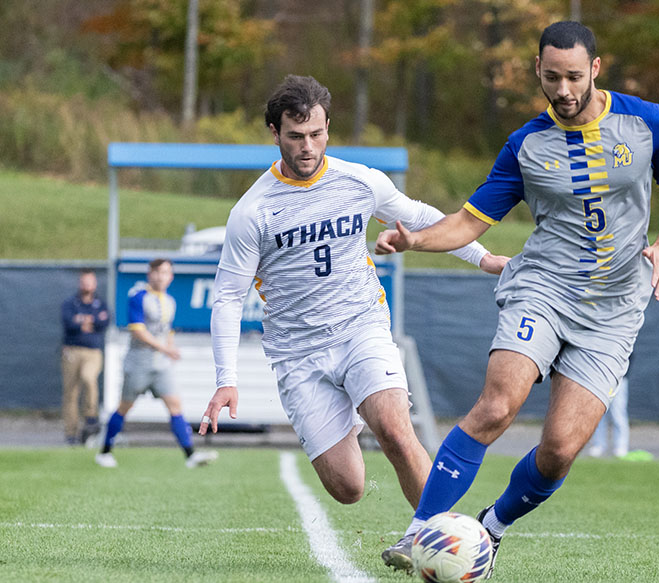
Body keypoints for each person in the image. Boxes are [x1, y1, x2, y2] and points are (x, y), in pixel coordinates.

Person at [376, 20, 659, 577]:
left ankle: (489, 531)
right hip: (542, 288)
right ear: (537, 73)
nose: (564, 90)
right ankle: (417, 533)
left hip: (614, 311)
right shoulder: (526, 146)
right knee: (498, 404)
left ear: (596, 69)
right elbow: (469, 222)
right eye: (552, 78)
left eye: (574, 76)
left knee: (559, 452)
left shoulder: (646, 122)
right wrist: (416, 240)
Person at [198, 75, 507, 508]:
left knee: (397, 432)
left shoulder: (360, 182)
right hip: (298, 353)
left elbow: (418, 217)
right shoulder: (252, 211)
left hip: (361, 327)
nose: (308, 146)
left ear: (328, 129)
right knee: (348, 488)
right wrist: (225, 381)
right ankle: (351, 418)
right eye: (296, 136)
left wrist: (484, 258)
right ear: (275, 134)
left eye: (316, 134)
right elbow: (228, 297)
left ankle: (440, 539)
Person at [95, 259, 218, 469]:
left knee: (175, 406)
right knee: (124, 407)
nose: (162, 277)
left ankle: (190, 455)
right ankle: (105, 451)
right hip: (138, 362)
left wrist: (170, 348)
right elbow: (137, 330)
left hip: (161, 365)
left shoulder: (170, 301)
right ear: (150, 274)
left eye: (167, 273)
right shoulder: (138, 296)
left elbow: (167, 329)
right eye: (158, 272)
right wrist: (165, 349)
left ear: (171, 277)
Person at [60, 269, 109, 445]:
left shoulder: (100, 304)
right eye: (84, 281)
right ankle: (71, 434)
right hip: (72, 351)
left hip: (92, 351)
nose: (87, 285)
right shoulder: (70, 303)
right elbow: (69, 323)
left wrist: (83, 320)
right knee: (71, 394)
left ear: (95, 284)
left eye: (90, 281)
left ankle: (90, 416)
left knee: (89, 378)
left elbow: (103, 321)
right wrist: (87, 321)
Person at [587, 374, 629, 458]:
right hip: (601, 379)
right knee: (599, 412)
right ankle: (599, 444)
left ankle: (621, 446)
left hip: (619, 379)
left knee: (618, 414)